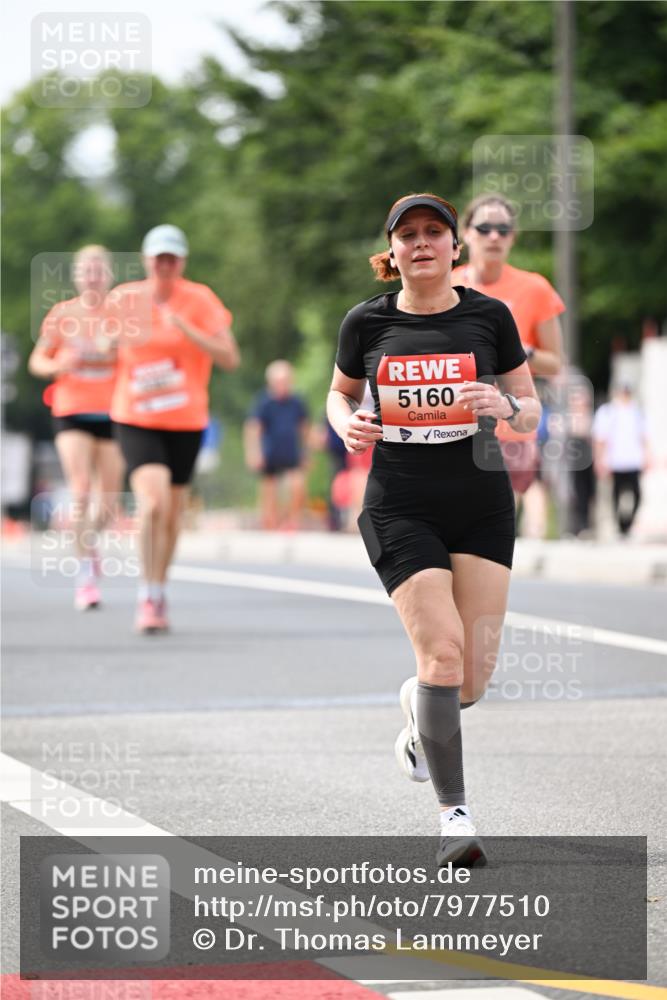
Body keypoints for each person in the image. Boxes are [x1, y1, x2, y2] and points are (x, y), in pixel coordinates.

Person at [327, 193, 540, 867]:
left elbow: (530, 412)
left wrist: (503, 404)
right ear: (391, 253)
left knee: (470, 681)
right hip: (399, 502)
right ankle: (455, 819)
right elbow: (337, 394)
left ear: (455, 248)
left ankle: (422, 721)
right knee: (443, 656)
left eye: (433, 233)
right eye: (407, 235)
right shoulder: (365, 323)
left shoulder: (489, 316)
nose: (421, 243)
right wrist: (346, 423)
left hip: (480, 502)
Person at [109, 224, 240, 633]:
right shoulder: (125, 299)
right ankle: (146, 593)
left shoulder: (199, 299)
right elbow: (102, 346)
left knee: (172, 514)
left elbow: (230, 358)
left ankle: (160, 589)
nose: (164, 265)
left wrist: (187, 329)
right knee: (152, 502)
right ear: (146, 260)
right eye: (157, 258)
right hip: (136, 417)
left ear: (181, 261)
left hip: (185, 420)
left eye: (172, 258)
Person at [453, 195, 565, 535]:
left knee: (493, 530)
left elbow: (556, 364)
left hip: (510, 422)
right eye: (484, 228)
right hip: (453, 422)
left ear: (513, 237)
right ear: (466, 234)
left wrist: (520, 351)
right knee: (458, 525)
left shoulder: (535, 288)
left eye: (503, 229)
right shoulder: (446, 284)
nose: (494, 236)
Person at [28, 245, 124, 611]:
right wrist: (58, 364)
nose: (93, 275)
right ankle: (85, 574)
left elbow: (140, 357)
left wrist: (116, 346)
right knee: (81, 490)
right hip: (72, 410)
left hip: (113, 412)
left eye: (100, 269)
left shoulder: (122, 316)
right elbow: (38, 361)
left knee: (110, 502)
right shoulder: (62, 315)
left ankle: (89, 543)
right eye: (87, 269)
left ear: (110, 274)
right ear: (76, 275)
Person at [243, 360, 309, 530]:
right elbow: (253, 428)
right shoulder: (264, 402)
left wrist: (306, 452)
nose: (282, 385)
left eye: (286, 381)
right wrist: (254, 453)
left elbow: (304, 428)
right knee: (269, 490)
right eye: (278, 381)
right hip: (270, 452)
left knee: (297, 486)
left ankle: (292, 521)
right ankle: (271, 523)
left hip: (291, 452)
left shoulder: (296, 402)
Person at [592, 384, 647, 536]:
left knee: (636, 494)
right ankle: (619, 524)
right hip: (615, 460)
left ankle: (627, 524)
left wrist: (647, 456)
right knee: (616, 493)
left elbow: (644, 436)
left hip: (633, 460)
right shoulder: (608, 411)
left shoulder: (637, 411)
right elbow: (600, 438)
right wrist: (599, 459)